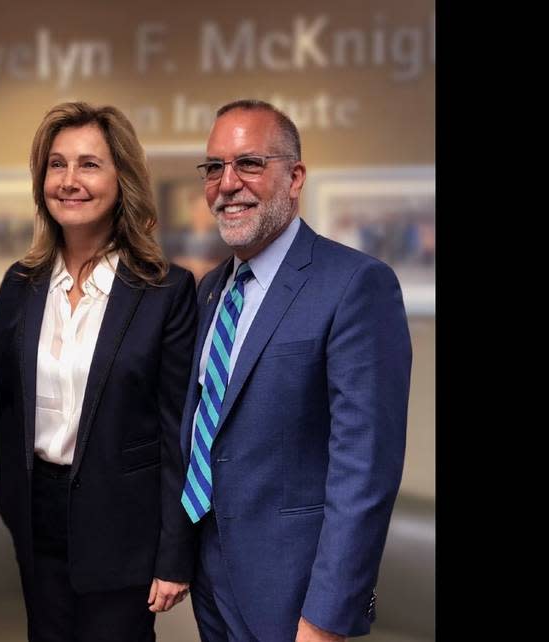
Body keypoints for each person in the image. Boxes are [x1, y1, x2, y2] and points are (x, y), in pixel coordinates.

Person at [179, 99, 412, 641]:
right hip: (213, 582)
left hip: (298, 600)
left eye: (249, 164)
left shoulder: (355, 285)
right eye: (214, 167)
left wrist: (327, 617)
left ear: (295, 176)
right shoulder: (211, 290)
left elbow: (365, 469)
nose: (227, 183)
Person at [0, 102, 197, 641]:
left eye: (88, 164)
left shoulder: (166, 291)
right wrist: (13, 506)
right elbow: (7, 408)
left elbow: (179, 433)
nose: (69, 181)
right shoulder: (19, 284)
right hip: (39, 524)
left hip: (125, 528)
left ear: (121, 179)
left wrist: (175, 552)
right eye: (56, 165)